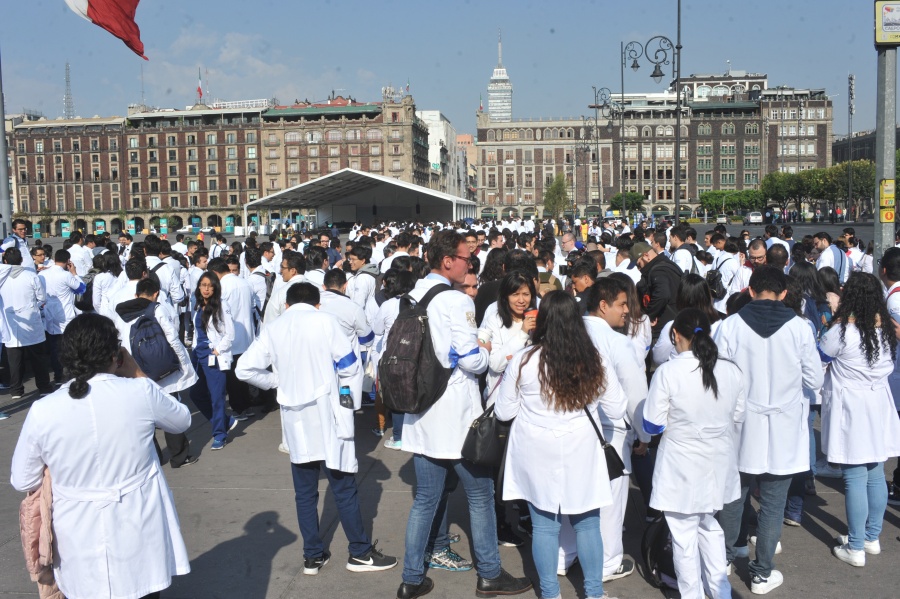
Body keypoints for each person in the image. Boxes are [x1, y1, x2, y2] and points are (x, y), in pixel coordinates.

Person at [10, 313, 192, 599]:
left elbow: (22, 479)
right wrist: (137, 373)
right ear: (115, 355)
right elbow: (182, 421)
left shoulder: (44, 409)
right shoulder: (139, 392)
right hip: (140, 533)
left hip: (78, 541)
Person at [397, 230, 531, 599]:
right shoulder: (455, 302)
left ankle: (411, 578)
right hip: (456, 414)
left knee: (425, 499)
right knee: (481, 496)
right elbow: (472, 361)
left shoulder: (413, 294)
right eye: (465, 258)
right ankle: (489, 573)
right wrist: (486, 352)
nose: (470, 263)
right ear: (447, 261)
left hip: (421, 411)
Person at [235, 282, 398, 575]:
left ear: (286, 305)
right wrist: (347, 398)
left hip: (295, 422)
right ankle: (359, 553)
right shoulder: (326, 322)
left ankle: (312, 556)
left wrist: (277, 383)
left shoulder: (274, 328)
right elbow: (349, 366)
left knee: (305, 492)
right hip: (328, 416)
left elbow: (244, 369)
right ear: (317, 304)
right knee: (344, 487)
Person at [494, 291, 626, 599]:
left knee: (544, 527)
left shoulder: (525, 360)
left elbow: (504, 412)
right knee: (587, 524)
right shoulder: (595, 360)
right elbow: (618, 409)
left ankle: (550, 594)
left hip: (535, 449)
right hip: (581, 447)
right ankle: (593, 593)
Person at [714, 266, 824, 594]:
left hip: (742, 421)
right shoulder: (800, 328)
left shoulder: (729, 325)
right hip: (784, 423)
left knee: (735, 494)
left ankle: (726, 556)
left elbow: (717, 376)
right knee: (774, 500)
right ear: (785, 293)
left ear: (749, 291)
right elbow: (815, 380)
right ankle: (762, 572)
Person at [643, 308, 745, 599]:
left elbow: (652, 423)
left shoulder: (668, 371)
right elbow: (738, 415)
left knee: (684, 537)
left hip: (681, 466)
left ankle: (693, 595)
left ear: (675, 335)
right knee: (709, 526)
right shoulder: (731, 370)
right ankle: (721, 591)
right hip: (719, 462)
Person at [819, 272, 900, 566]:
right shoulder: (886, 331)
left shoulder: (842, 332)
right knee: (876, 472)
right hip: (879, 404)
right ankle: (871, 537)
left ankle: (855, 547)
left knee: (854, 476)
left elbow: (821, 357)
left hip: (851, 407)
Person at [579, 276, 651, 583]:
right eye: (622, 304)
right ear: (603, 305)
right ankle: (607, 562)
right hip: (611, 431)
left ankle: (565, 555)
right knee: (610, 498)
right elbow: (635, 392)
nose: (627, 311)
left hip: (572, 426)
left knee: (576, 496)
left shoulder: (569, 331)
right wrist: (645, 435)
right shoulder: (616, 341)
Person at [114, 277, 199, 468]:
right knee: (170, 410)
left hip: (133, 369)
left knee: (143, 415)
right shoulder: (157, 309)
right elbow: (173, 338)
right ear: (156, 294)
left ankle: (153, 458)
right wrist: (184, 365)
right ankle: (179, 456)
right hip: (162, 370)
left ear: (136, 294)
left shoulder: (121, 314)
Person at [190, 272, 237, 450]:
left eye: (210, 285)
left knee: (217, 397)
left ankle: (219, 434)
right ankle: (225, 421)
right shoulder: (198, 305)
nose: (206, 289)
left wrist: (217, 350)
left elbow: (230, 334)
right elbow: (196, 332)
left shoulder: (221, 306)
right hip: (198, 355)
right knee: (196, 394)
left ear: (216, 287)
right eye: (203, 285)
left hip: (214, 356)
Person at [207, 257, 256, 420]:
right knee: (242, 374)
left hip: (230, 337)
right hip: (247, 335)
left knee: (232, 377)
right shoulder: (245, 283)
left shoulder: (223, 287)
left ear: (215, 272)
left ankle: (239, 408)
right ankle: (247, 406)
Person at [0, 248, 53, 398]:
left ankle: (16, 390)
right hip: (31, 321)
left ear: (5, 262)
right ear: (21, 260)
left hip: (11, 323)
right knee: (38, 358)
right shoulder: (31, 275)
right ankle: (44, 387)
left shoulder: (2, 278)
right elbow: (42, 297)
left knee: (15, 361)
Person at [479, 271, 537, 401]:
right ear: (506, 296)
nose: (521, 300)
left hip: (530, 399)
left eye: (526, 294)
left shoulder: (539, 319)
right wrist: (523, 333)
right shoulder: (495, 320)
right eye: (515, 295)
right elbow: (495, 364)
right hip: (501, 398)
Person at [39, 250, 86, 386]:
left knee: (54, 347)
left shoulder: (42, 274)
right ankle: (70, 374)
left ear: (54, 259)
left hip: (49, 315)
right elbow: (81, 289)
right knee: (70, 347)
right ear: (68, 262)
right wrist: (74, 274)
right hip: (65, 315)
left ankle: (58, 375)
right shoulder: (66, 275)